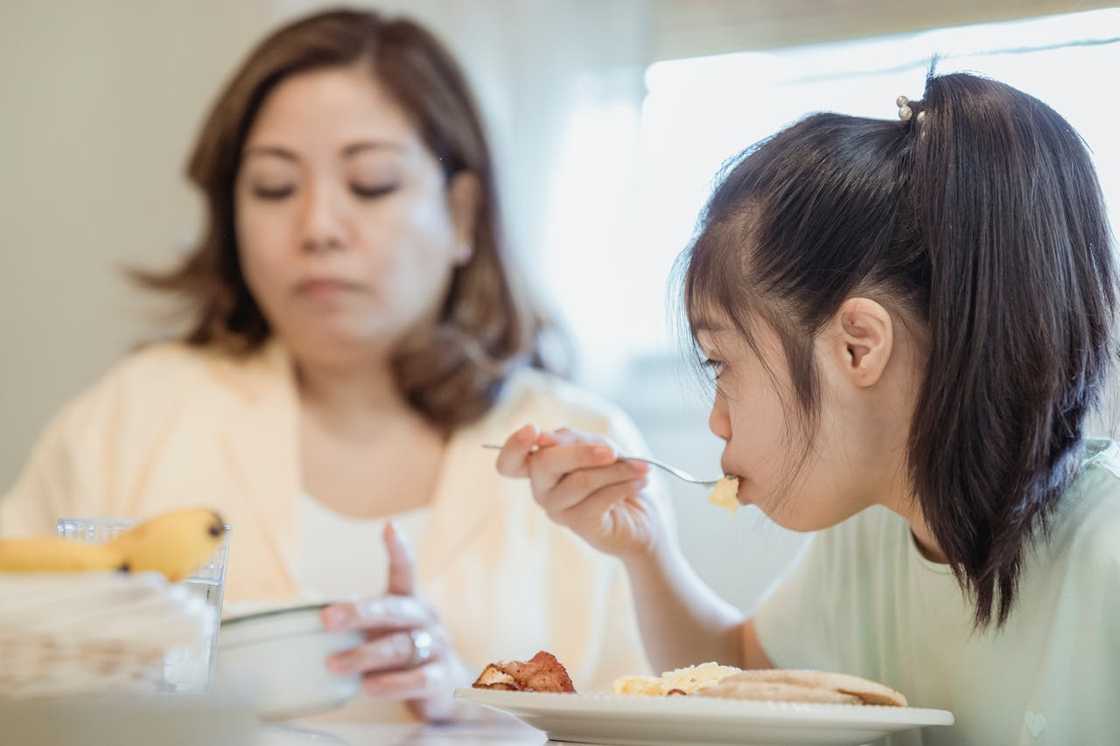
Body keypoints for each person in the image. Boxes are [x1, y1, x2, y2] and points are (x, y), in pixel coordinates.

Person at [0, 8, 657, 722]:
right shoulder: (132, 415)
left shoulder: (584, 447)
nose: (317, 227)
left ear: (463, 215)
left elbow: (656, 719)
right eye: (275, 189)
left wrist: (479, 712)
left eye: (371, 184)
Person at [497, 71, 1120, 743]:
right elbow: (744, 685)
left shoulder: (1104, 558)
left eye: (722, 366)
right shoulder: (873, 530)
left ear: (857, 347)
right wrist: (646, 552)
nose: (717, 420)